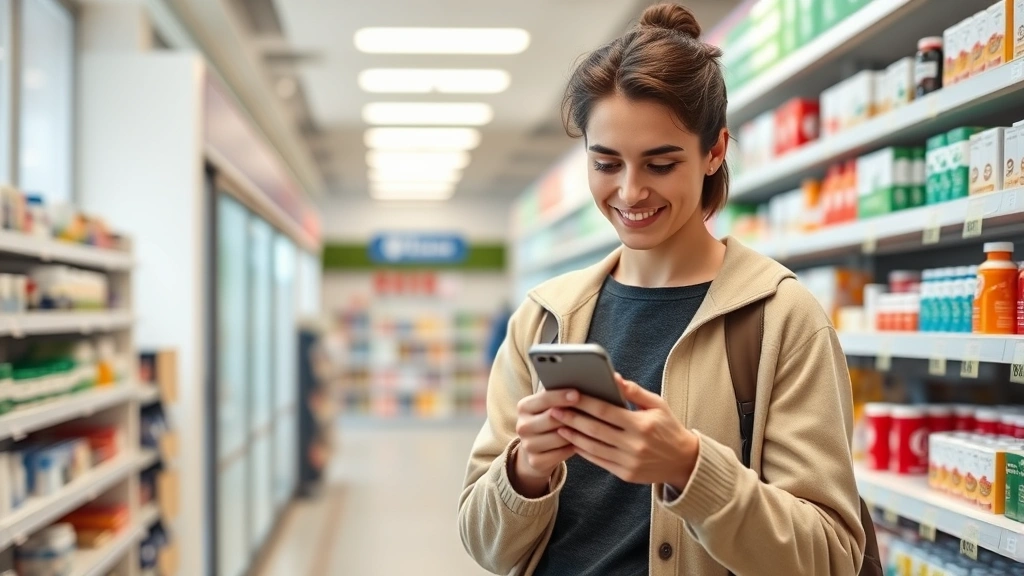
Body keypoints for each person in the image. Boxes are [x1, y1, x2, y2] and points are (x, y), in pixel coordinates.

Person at [458, 4, 866, 576]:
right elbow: (483, 545)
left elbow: (830, 558)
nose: (629, 192)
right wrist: (526, 469)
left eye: (660, 163)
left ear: (715, 152)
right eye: (606, 163)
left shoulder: (780, 316)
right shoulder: (544, 318)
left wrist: (690, 469)